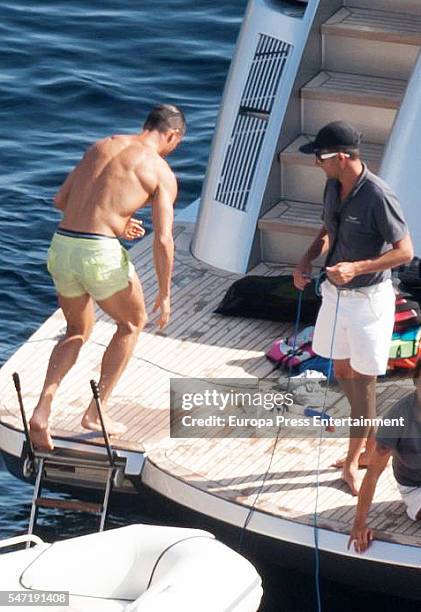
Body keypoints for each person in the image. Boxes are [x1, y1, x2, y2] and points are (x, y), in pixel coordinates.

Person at [29, 103, 186, 451]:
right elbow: (162, 240)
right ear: (172, 136)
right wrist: (165, 293)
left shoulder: (101, 146)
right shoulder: (159, 172)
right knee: (132, 323)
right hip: (98, 253)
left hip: (62, 245)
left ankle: (42, 410)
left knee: (76, 331)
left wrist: (116, 222)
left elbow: (61, 200)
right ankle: (96, 411)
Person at [293, 121, 413, 495]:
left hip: (369, 301)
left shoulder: (379, 196)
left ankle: (353, 460)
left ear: (342, 157)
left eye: (321, 156)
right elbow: (328, 229)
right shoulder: (332, 186)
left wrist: (357, 268)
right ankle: (368, 439)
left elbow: (404, 251)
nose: (317, 162)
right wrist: (306, 259)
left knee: (365, 383)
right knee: (341, 367)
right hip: (335, 294)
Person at [349, 360, 421, 553]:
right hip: (415, 485)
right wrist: (359, 524)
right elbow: (373, 474)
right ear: (416, 381)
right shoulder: (398, 417)